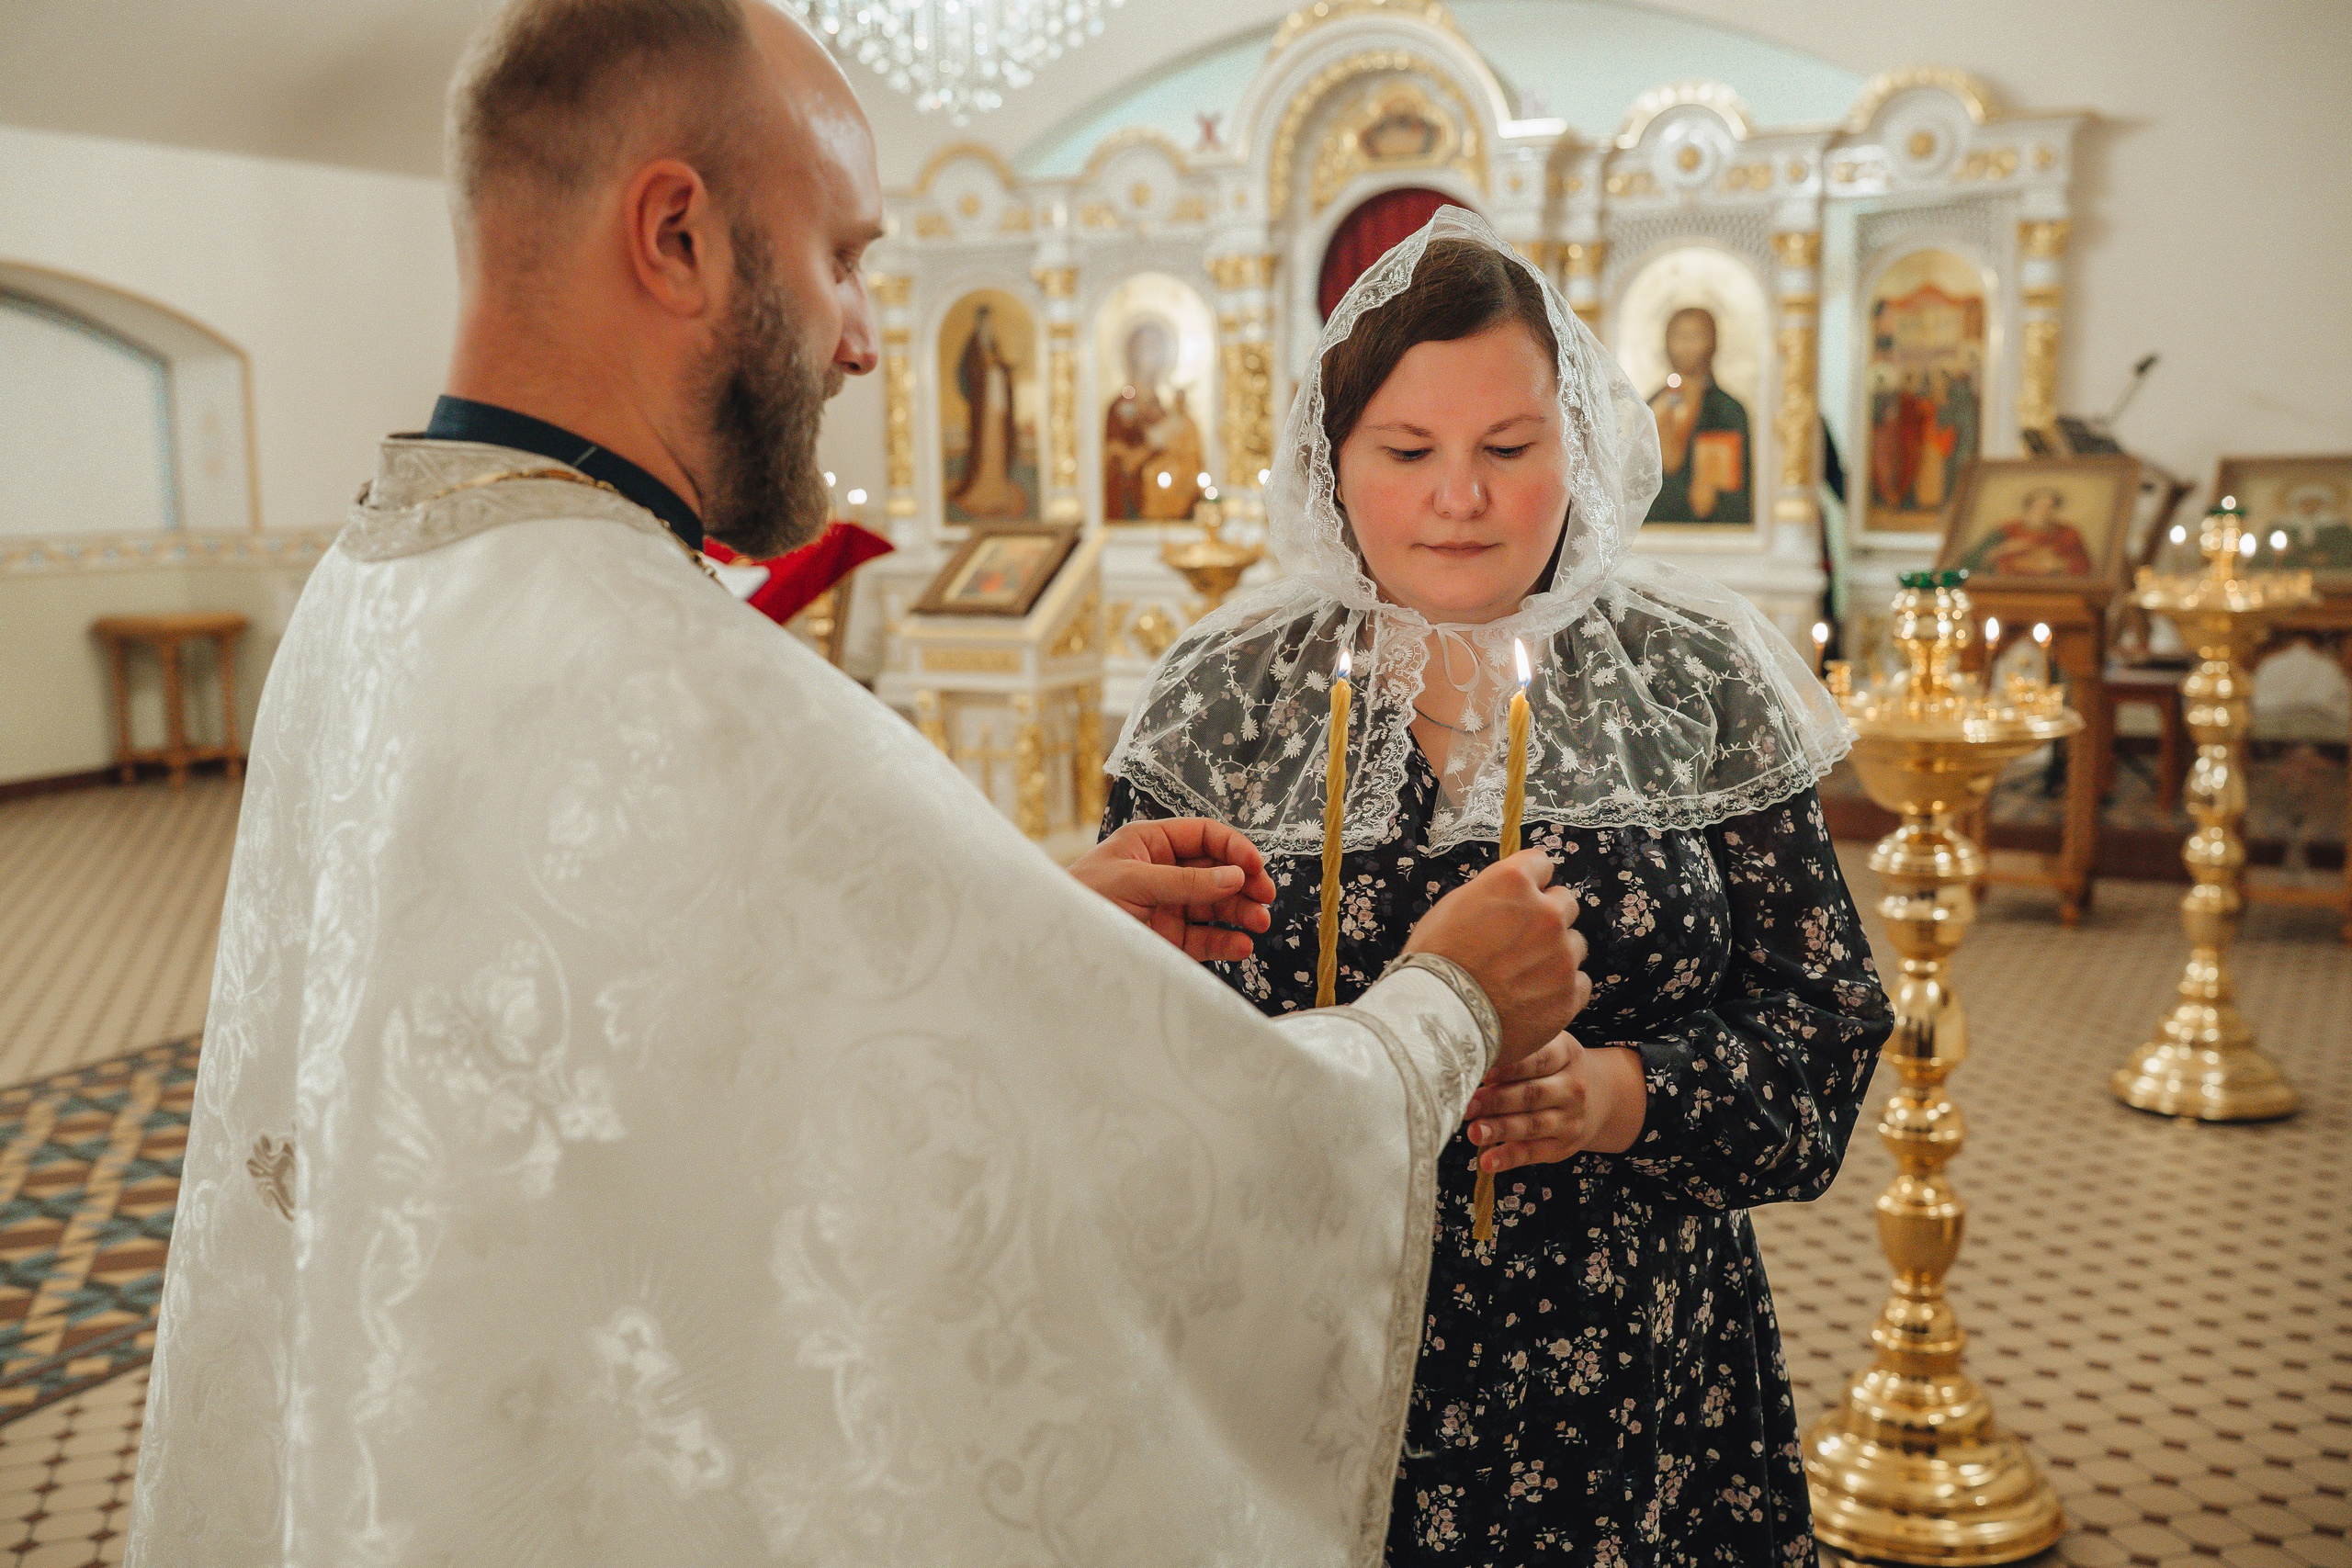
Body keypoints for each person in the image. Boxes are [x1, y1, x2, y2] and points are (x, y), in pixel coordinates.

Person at [125, 8, 1601, 1563]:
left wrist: (1021, 923)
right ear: (678, 234)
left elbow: (626, 1045)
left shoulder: (376, 585)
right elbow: (1125, 1178)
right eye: (842, 257)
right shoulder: (668, 673)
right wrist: (1445, 1003)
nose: (866, 339)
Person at [1105, 209, 1894, 1565]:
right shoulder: (1225, 698)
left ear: (1577, 447)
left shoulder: (1696, 674)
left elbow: (1823, 1025)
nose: (1457, 496)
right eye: (1406, 451)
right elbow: (1127, 1057)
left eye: (1509, 449)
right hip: (1317, 1364)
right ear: (1331, 461)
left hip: (1637, 1377)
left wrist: (1623, 1094)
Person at [1643, 305, 1749, 524]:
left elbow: (1726, 496)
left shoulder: (1727, 410)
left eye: (1696, 336)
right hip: (1658, 531)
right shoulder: (1650, 407)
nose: (1686, 345)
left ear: (1713, 343)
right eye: (1679, 336)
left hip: (1713, 534)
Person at [948, 303, 1029, 517]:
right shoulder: (973, 346)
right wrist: (985, 370)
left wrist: (1004, 370)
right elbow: (966, 373)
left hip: (997, 411)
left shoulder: (993, 344)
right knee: (984, 449)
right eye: (987, 322)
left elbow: (999, 366)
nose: (990, 326)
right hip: (983, 413)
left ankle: (997, 488)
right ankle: (981, 489)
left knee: (998, 450)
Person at [1958, 484, 2095, 578]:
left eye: (2050, 507)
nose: (2044, 511)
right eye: (2039, 506)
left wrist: (2060, 564)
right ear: (2029, 506)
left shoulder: (2069, 534)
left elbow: (2084, 566)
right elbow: (1969, 563)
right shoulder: (2005, 530)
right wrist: (2002, 549)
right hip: (2006, 593)